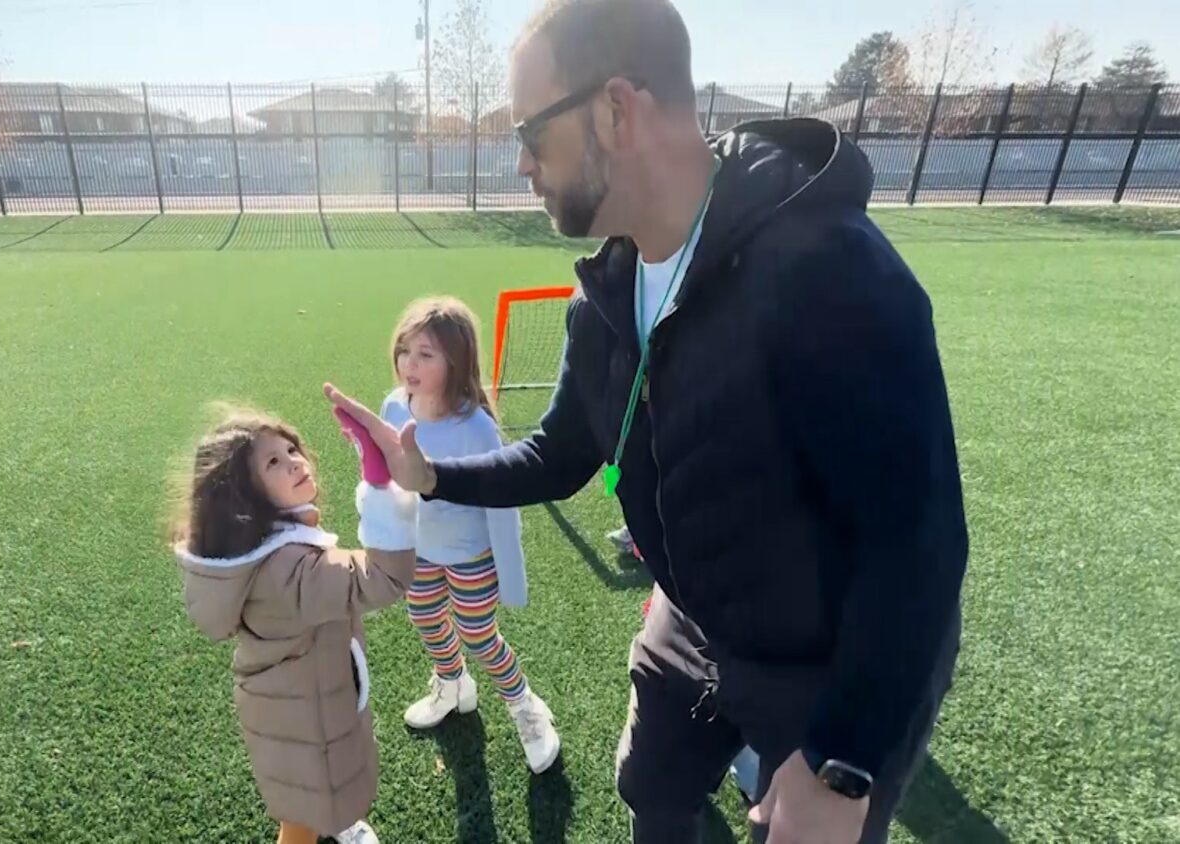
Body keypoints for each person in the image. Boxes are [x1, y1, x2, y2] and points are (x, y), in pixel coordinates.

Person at [326, 0, 968, 841]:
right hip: (689, 624)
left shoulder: (831, 271)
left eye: (531, 130)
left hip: (822, 665)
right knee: (651, 793)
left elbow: (915, 545)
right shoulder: (606, 292)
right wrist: (430, 476)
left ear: (616, 111)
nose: (521, 163)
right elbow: (560, 453)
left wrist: (845, 762)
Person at [171, 408, 419, 844]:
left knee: (313, 792)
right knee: (300, 819)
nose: (295, 462)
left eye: (291, 450)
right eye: (273, 463)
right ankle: (326, 823)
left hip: (292, 702)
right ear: (244, 495)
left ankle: (335, 821)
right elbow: (384, 578)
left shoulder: (263, 544)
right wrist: (382, 487)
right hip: (304, 717)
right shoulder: (289, 569)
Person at [382, 297, 560, 773]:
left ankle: (524, 706)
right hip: (420, 551)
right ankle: (453, 683)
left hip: (469, 556)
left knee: (480, 634)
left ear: (455, 362)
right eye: (405, 351)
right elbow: (387, 477)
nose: (409, 364)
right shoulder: (394, 407)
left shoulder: (477, 427)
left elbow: (501, 506)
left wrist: (511, 574)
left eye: (425, 354)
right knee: (424, 619)